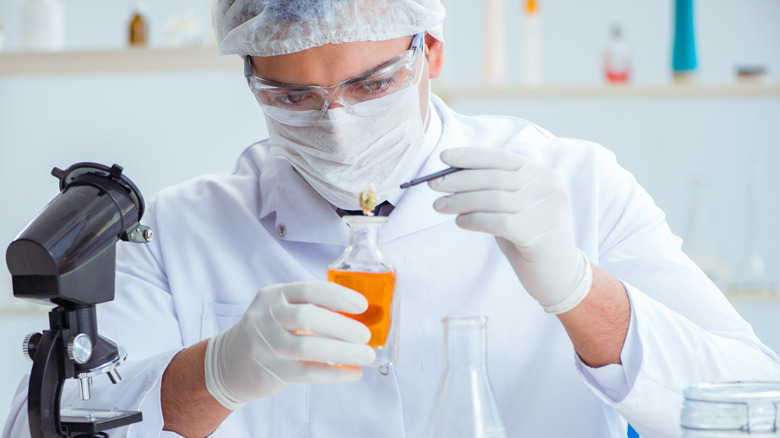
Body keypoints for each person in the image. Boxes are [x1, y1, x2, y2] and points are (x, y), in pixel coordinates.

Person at [4, 1, 780, 437]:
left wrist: (581, 291)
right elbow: (39, 429)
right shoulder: (182, 228)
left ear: (431, 50)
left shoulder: (576, 183)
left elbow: (754, 407)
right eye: (291, 97)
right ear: (249, 77)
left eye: (371, 84)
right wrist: (212, 373)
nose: (335, 123)